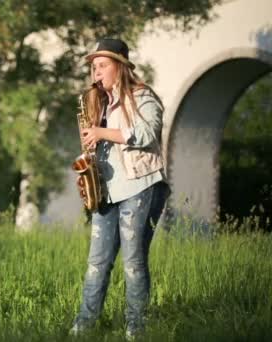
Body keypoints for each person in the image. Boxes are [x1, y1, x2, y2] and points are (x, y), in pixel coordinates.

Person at [70, 38, 170, 339]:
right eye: (92, 68)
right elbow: (101, 148)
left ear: (121, 66)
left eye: (102, 66)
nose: (95, 73)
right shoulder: (99, 103)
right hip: (107, 191)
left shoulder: (143, 96)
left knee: (133, 262)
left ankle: (135, 330)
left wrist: (102, 132)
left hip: (139, 187)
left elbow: (147, 133)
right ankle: (83, 327)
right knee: (96, 263)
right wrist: (87, 170)